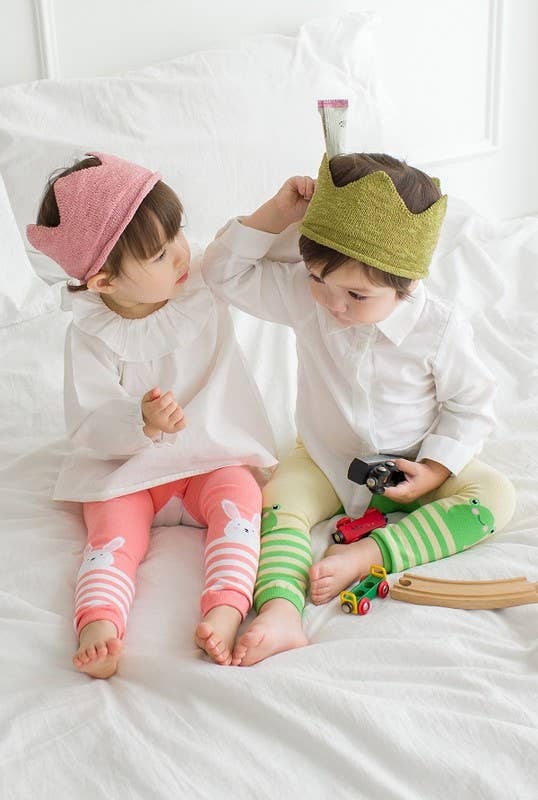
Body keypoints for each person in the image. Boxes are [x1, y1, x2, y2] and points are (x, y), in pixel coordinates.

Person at [201, 150, 516, 666]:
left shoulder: (437, 328)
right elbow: (221, 273)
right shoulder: (309, 300)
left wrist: (436, 470)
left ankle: (370, 555)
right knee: (275, 506)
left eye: (357, 294)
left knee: (496, 497)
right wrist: (275, 216)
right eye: (319, 281)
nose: (334, 305)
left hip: (413, 464)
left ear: (406, 285)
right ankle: (280, 611)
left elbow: (471, 404)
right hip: (326, 460)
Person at [27, 152, 277, 677]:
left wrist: (280, 208)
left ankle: (226, 607)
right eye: (161, 254)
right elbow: (89, 422)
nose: (182, 253)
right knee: (114, 535)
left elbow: (244, 243)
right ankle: (99, 622)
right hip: (128, 471)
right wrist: (139, 420)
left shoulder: (204, 279)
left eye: (178, 232)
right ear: (104, 283)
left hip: (209, 456)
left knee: (240, 499)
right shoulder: (90, 334)